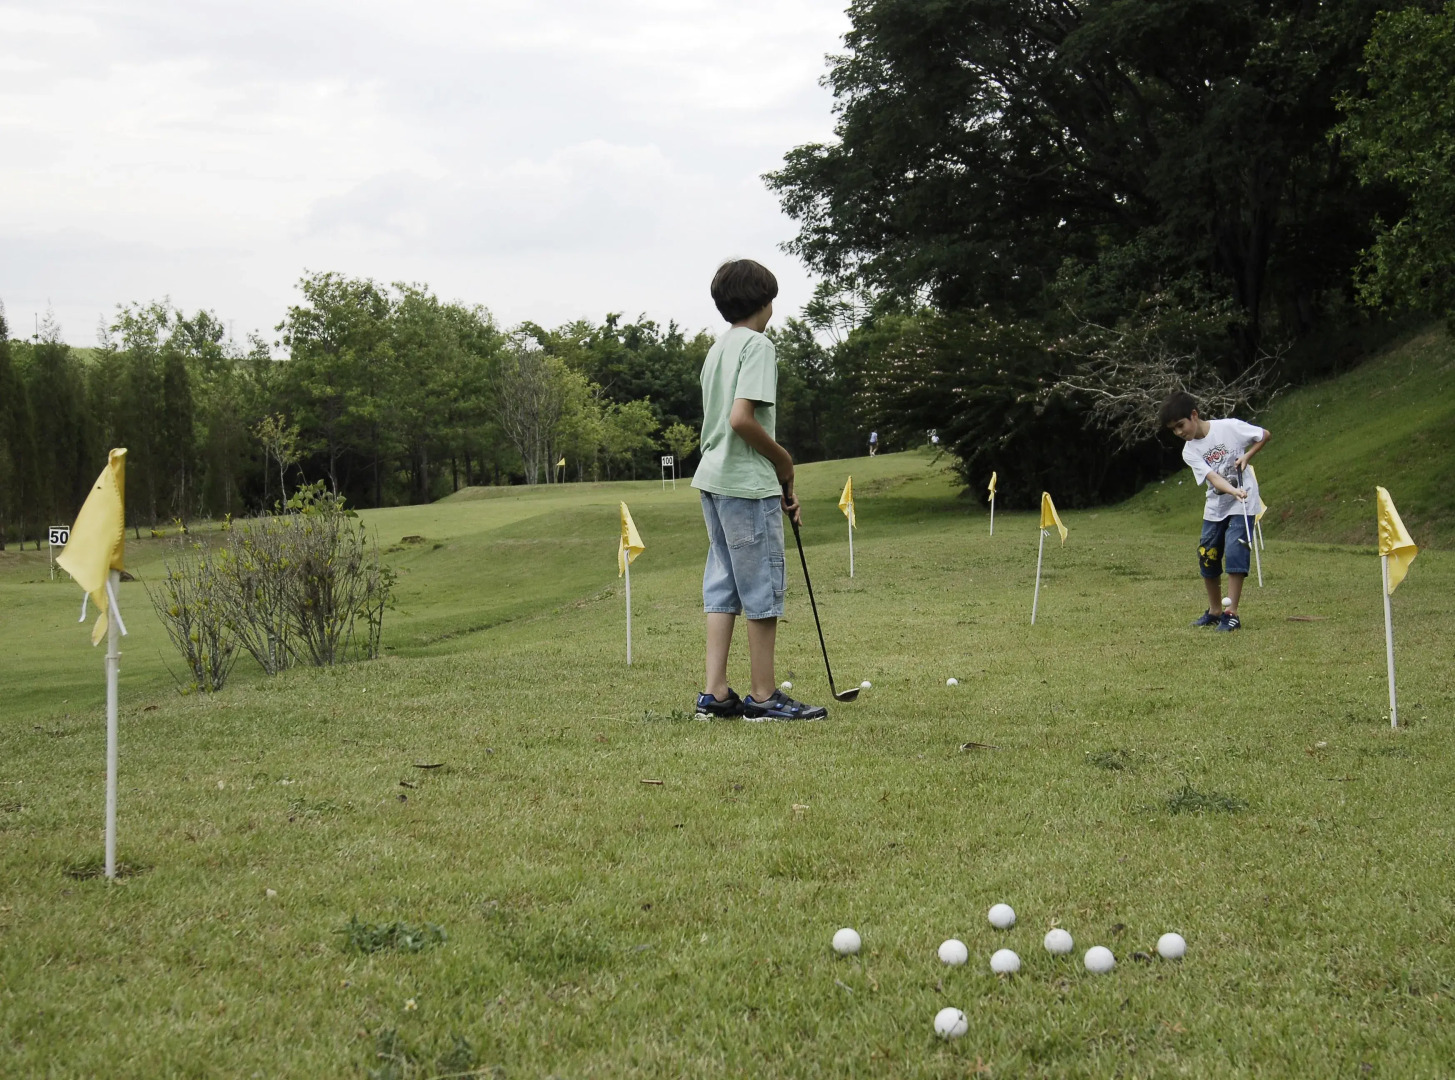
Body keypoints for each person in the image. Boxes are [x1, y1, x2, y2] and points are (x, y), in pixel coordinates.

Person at [692, 259, 828, 721]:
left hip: (713, 480)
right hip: (746, 486)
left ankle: (716, 693)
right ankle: (764, 697)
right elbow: (741, 420)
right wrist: (784, 461)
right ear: (766, 302)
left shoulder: (717, 348)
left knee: (724, 584)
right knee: (761, 587)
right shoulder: (759, 346)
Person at [1160, 391, 1271, 632]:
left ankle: (1231, 613)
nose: (1179, 432)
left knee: (1235, 550)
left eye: (1181, 425)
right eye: (1173, 429)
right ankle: (1215, 611)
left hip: (1244, 503)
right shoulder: (1189, 451)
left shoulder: (1229, 428)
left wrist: (1248, 456)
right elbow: (1212, 477)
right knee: (1207, 555)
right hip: (1217, 506)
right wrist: (1232, 491)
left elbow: (1264, 435)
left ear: (1194, 415)